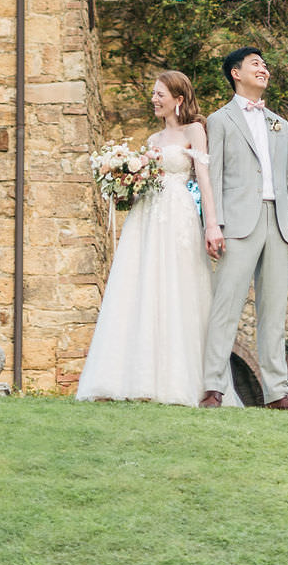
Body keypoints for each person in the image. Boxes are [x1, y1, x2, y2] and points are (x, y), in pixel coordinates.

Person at [76, 70, 221, 405]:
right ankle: (133, 379)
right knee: (143, 287)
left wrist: (211, 225)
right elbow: (143, 178)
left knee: (177, 288)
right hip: (146, 216)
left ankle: (180, 383)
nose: (154, 100)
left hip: (178, 214)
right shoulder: (154, 141)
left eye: (160, 94)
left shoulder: (194, 130)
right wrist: (122, 179)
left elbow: (204, 179)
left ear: (178, 98)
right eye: (153, 94)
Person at [200, 47, 288, 410]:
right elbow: (211, 178)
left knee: (274, 310)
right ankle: (213, 386)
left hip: (278, 224)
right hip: (237, 223)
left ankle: (278, 392)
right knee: (225, 306)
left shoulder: (280, 124)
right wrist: (212, 224)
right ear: (236, 73)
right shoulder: (219, 120)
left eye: (265, 64)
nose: (264, 69)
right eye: (255, 64)